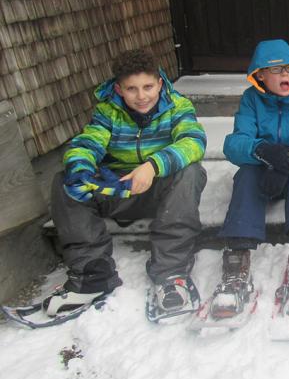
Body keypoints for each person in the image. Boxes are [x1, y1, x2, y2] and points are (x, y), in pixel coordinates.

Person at [47, 48, 207, 321]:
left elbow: (193, 141)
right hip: (118, 190)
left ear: (159, 83)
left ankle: (171, 272)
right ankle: (92, 273)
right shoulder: (108, 112)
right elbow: (88, 142)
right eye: (132, 89)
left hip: (160, 191)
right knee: (65, 180)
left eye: (147, 87)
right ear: (120, 89)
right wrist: (81, 167)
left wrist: (153, 165)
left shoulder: (178, 107)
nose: (142, 96)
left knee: (190, 172)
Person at [213, 39, 289, 317]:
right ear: (260, 76)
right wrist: (262, 150)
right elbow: (235, 143)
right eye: (276, 71)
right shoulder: (251, 100)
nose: (285, 76)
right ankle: (236, 259)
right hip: (265, 163)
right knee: (245, 176)